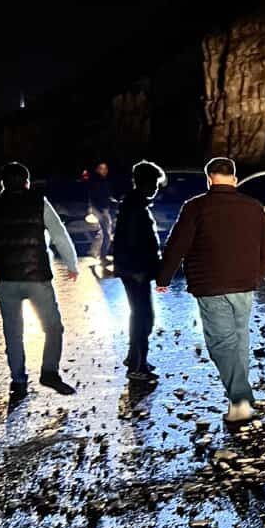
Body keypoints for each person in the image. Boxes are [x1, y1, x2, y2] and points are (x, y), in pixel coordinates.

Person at [155, 155, 265, 422]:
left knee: (222, 343)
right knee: (239, 340)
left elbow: (177, 245)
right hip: (245, 285)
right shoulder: (253, 207)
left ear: (209, 179)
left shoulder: (196, 207)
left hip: (210, 284)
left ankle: (240, 400)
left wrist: (164, 278)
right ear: (234, 179)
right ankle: (242, 398)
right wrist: (257, 275)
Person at [0, 161, 79, 399]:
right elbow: (59, 235)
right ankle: (49, 372)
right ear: (27, 182)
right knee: (53, 327)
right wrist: (71, 264)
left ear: (3, 184)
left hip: (6, 280)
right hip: (38, 278)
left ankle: (19, 381)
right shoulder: (39, 202)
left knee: (13, 333)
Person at [112, 160, 165, 384]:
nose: (156, 189)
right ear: (145, 183)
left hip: (134, 270)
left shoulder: (134, 205)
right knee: (143, 317)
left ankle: (135, 358)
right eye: (154, 184)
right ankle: (137, 365)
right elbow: (133, 243)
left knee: (141, 315)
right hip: (136, 271)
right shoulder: (136, 209)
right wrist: (139, 269)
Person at [84, 160, 117, 265]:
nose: (104, 170)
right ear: (97, 170)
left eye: (105, 168)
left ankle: (94, 251)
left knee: (104, 232)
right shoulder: (96, 181)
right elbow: (93, 196)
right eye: (102, 168)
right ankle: (102, 257)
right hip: (99, 209)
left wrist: (114, 200)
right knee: (106, 233)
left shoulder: (103, 181)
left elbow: (106, 195)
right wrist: (97, 209)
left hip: (103, 209)